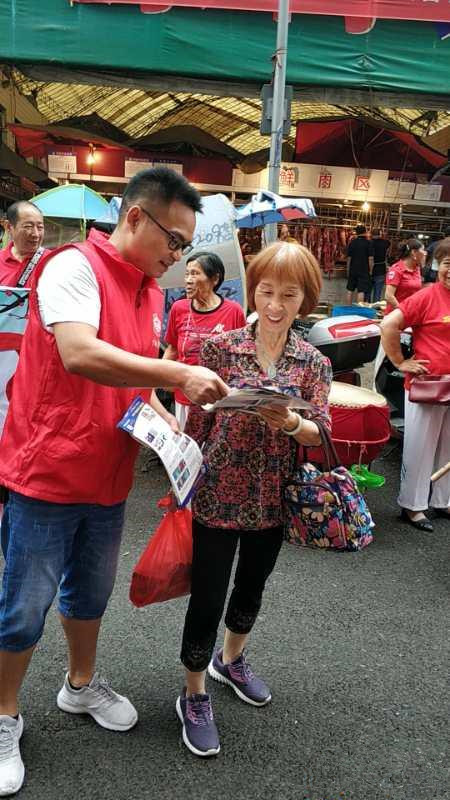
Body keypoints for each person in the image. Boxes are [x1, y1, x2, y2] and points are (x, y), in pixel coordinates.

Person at [0, 167, 229, 796]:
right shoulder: (71, 267)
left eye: (187, 246)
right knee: (23, 609)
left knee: (90, 595)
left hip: (106, 474)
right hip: (46, 472)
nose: (179, 257)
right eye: (175, 241)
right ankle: (3, 716)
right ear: (134, 217)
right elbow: (79, 352)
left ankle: (79, 686)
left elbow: (133, 382)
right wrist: (178, 374)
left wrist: (175, 435)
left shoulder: (152, 294)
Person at [175, 241, 332, 757]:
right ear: (252, 290)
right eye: (266, 290)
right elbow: (199, 423)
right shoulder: (221, 348)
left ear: (304, 299)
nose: (274, 303)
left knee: (252, 587)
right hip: (220, 492)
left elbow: (320, 434)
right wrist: (183, 480)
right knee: (208, 594)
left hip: (272, 496)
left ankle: (231, 659)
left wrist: (290, 422)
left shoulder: (313, 362)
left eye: (288, 294)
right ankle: (193, 691)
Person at [381, 237, 450, 532]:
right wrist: (400, 362)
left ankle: (443, 500)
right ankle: (413, 505)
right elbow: (388, 324)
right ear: (438, 265)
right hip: (427, 386)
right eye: (448, 263)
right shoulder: (427, 296)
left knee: (448, 448)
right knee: (420, 449)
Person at [164, 251, 246, 429]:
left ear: (214, 279)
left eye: (195, 273)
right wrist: (160, 379)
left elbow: (241, 356)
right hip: (185, 397)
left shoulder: (233, 311)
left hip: (219, 400)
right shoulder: (179, 308)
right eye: (187, 274)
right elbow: (172, 350)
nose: (188, 280)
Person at [0, 202, 48, 436]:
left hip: (39, 355)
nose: (36, 234)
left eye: (40, 226)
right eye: (28, 226)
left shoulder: (53, 263)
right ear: (10, 227)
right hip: (4, 356)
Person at [384, 238, 425, 315]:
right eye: (423, 250)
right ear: (414, 252)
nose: (424, 253)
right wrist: (402, 312)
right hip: (396, 315)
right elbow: (388, 296)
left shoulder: (417, 269)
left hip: (411, 313)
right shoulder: (396, 269)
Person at [346, 225, 374, 304]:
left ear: (356, 233)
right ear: (365, 232)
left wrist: (348, 270)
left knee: (350, 289)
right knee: (361, 291)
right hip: (364, 270)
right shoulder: (369, 243)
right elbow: (370, 258)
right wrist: (371, 270)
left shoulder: (352, 243)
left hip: (353, 269)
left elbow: (349, 258)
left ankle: (347, 307)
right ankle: (359, 309)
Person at [370, 228, 390, 302]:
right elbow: (388, 242)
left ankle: (366, 308)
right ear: (380, 234)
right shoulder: (385, 243)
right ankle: (375, 309)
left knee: (367, 292)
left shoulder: (369, 243)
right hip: (381, 269)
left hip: (369, 269)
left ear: (371, 234)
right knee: (378, 292)